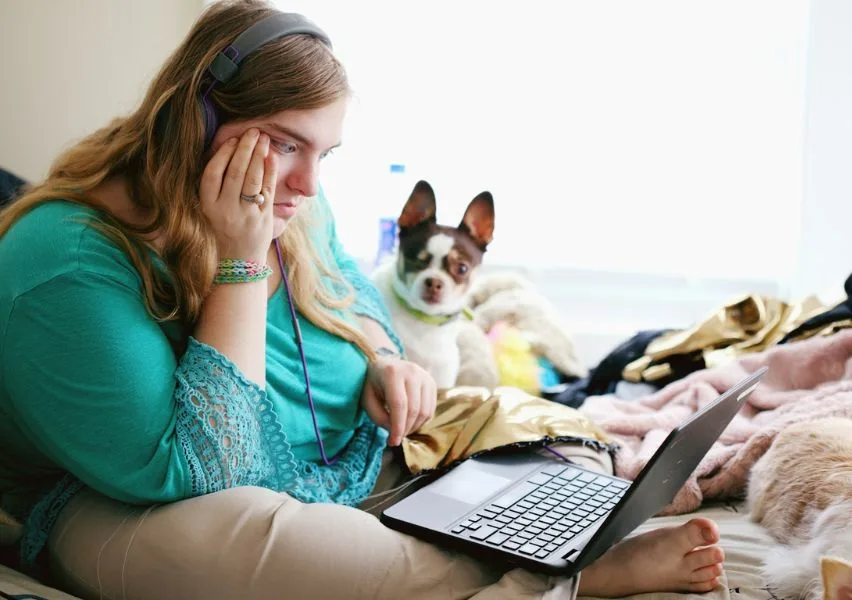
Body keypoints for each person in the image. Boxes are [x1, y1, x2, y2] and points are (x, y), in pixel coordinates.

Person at [0, 1, 727, 598]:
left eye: (326, 154)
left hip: (351, 459)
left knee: (545, 433)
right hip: (145, 505)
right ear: (199, 122)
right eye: (286, 144)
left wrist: (386, 359)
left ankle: (545, 535)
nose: (310, 186)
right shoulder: (63, 261)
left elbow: (355, 296)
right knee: (265, 551)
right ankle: (566, 569)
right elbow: (207, 469)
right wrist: (241, 260)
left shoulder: (291, 197)